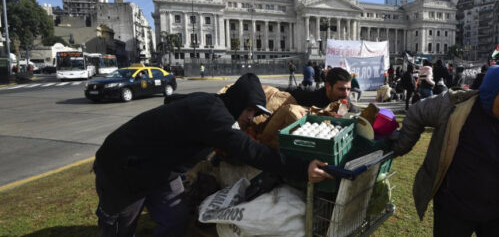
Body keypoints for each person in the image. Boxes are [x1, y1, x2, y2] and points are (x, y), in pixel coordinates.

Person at [93, 73, 332, 236]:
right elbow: (253, 152)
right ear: (238, 101)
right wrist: (303, 168)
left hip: (162, 171)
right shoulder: (214, 115)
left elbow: (172, 99)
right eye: (249, 110)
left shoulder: (210, 102)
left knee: (175, 216)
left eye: (255, 112)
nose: (251, 118)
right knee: (121, 226)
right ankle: (111, 217)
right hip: (124, 167)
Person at [392, 65, 499, 237]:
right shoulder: (454, 106)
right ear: (489, 93)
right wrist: (402, 144)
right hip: (453, 208)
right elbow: (417, 111)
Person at [289, 67, 359, 112]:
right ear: (328, 86)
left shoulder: (347, 105)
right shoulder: (311, 95)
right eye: (341, 89)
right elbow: (286, 93)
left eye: (348, 89)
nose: (346, 93)